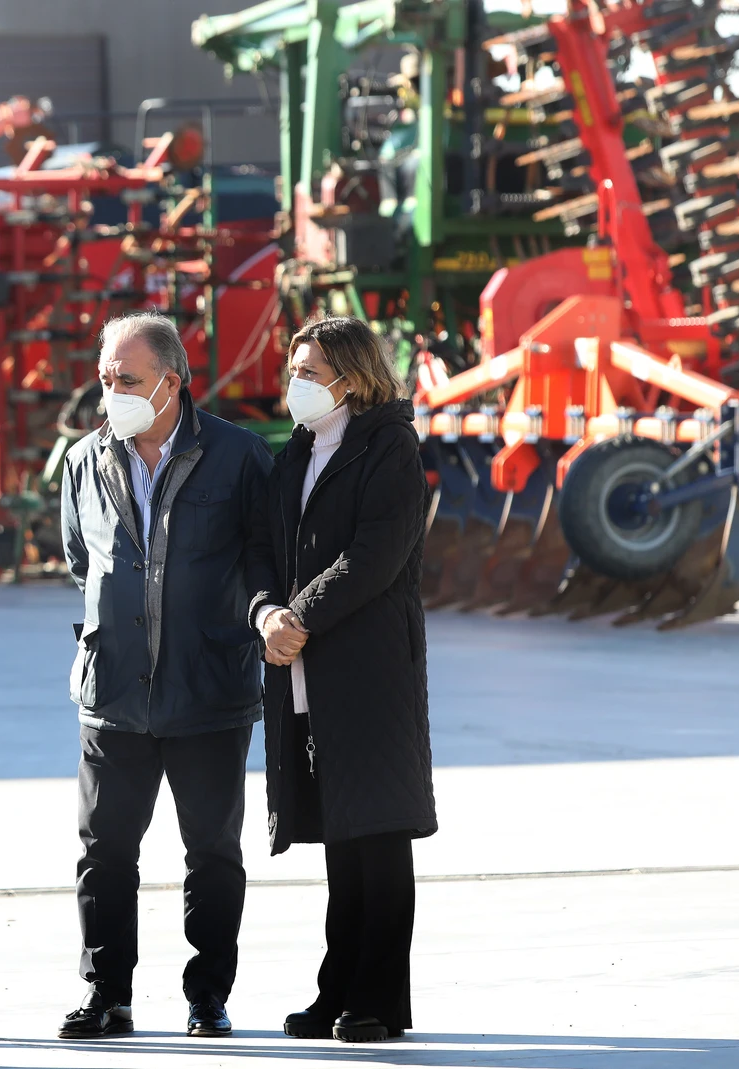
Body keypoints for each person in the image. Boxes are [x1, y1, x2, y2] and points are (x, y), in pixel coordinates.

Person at [56, 311, 275, 1041]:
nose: (110, 391)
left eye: (128, 379)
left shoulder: (239, 457)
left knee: (212, 853)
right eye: (105, 377)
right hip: (113, 693)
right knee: (104, 851)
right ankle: (105, 992)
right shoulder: (85, 458)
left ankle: (207, 993)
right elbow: (81, 565)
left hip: (208, 688)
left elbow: (261, 564)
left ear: (172, 383)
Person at [248, 315, 435, 1044]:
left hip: (367, 669)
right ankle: (338, 989)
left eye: (308, 370)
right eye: (293, 368)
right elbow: (265, 543)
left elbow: (375, 556)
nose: (295, 383)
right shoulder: (297, 451)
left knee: (378, 836)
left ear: (351, 378)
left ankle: (380, 999)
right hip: (306, 662)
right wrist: (266, 611)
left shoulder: (390, 446)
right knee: (341, 841)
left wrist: (298, 616)